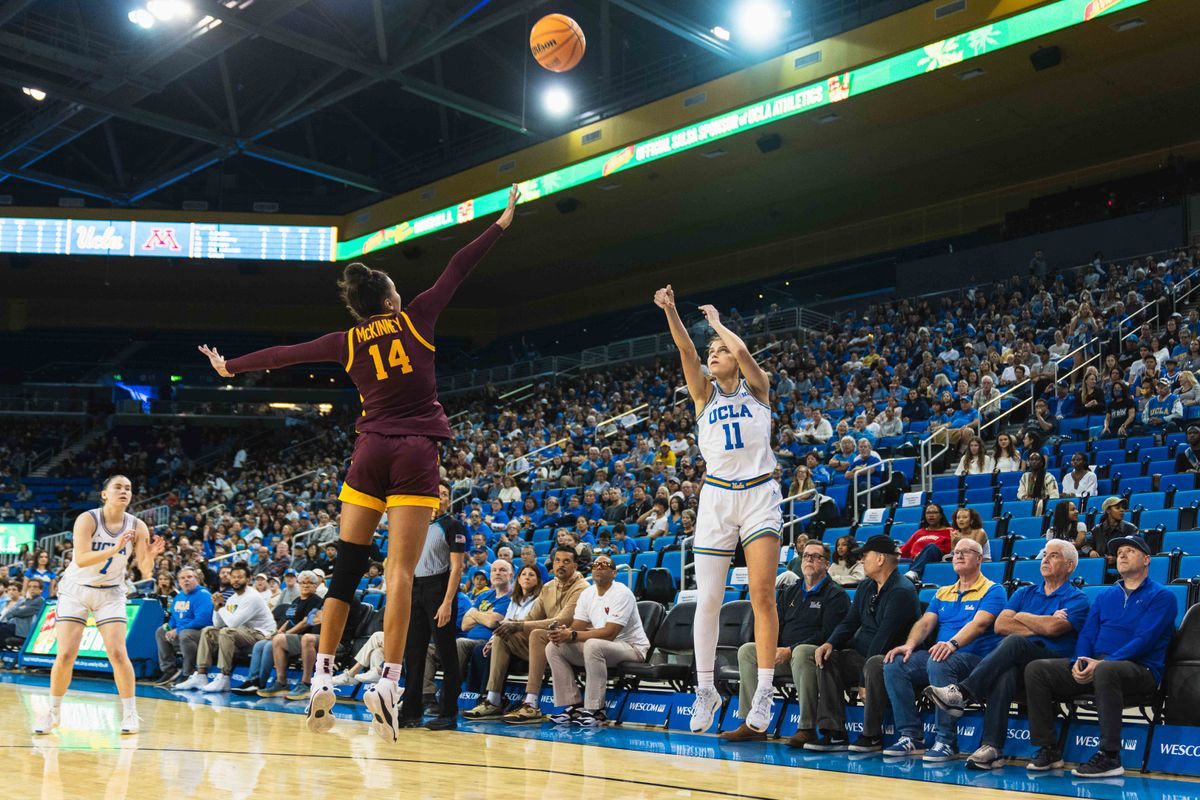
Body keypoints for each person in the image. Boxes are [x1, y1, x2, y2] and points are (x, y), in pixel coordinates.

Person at [198, 185, 521, 739]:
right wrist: (501, 223)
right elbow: (457, 268)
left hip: (368, 452)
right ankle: (388, 685)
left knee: (346, 569)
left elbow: (284, 355)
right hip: (415, 453)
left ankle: (322, 677)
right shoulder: (417, 317)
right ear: (392, 300)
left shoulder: (346, 341)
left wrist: (231, 367)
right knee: (399, 573)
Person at [654, 284, 782, 734]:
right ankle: (704, 689)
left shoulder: (759, 389)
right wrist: (671, 310)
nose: (712, 354)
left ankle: (763, 691)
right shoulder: (704, 397)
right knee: (707, 599)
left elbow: (744, 352)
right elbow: (686, 352)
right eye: (712, 351)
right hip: (715, 498)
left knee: (763, 596)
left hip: (758, 495)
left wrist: (719, 326)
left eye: (719, 351)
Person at [924, 540, 1090, 769]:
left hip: (1053, 661)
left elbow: (1054, 629)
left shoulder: (1077, 598)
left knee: (1014, 642)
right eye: (1044, 554)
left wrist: (1020, 616)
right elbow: (1001, 625)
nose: (1045, 559)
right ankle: (992, 748)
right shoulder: (1024, 592)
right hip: (1023, 664)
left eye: (1054, 556)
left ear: (1070, 566)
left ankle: (962, 692)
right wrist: (1042, 619)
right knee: (1006, 670)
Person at [1024, 536, 1176, 778]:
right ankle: (1049, 748)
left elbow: (1144, 640)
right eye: (1119, 552)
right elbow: (1087, 634)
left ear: (1147, 560)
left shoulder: (1163, 597)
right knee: (1037, 669)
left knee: (1106, 670)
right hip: (1098, 665)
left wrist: (1103, 663)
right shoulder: (1106, 595)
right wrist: (1079, 662)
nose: (1122, 555)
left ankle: (1110, 756)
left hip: (1140, 669)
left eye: (1130, 551)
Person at [33, 475, 163, 736]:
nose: (124, 491)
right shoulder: (88, 519)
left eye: (128, 487)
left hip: (111, 593)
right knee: (66, 654)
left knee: (117, 653)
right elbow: (80, 559)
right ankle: (54, 712)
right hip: (76, 590)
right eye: (118, 487)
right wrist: (115, 547)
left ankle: (129, 714)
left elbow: (145, 570)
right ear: (104, 494)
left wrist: (149, 558)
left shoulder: (137, 526)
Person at [880, 538, 1007, 761]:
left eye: (965, 552)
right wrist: (909, 645)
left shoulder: (993, 590)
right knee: (895, 662)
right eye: (955, 553)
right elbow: (925, 623)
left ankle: (946, 741)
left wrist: (952, 644)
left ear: (979, 559)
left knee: (939, 660)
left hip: (976, 660)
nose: (957, 556)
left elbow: (979, 624)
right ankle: (911, 736)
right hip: (942, 655)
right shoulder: (943, 592)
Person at [722, 541, 850, 744]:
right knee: (748, 650)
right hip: (782, 657)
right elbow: (774, 625)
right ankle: (753, 723)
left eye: (816, 557)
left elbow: (828, 634)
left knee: (801, 651)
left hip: (812, 660)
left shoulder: (836, 595)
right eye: (806, 555)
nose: (809, 560)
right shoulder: (789, 591)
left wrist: (789, 650)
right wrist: (772, 649)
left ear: (827, 564)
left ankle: (806, 727)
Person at [804, 536, 919, 752]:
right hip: (863, 653)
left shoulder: (902, 591)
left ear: (880, 559)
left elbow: (883, 639)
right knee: (828, 659)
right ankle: (834, 732)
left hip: (891, 659)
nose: (861, 560)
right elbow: (850, 621)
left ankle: (871, 735)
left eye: (865, 556)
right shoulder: (866, 586)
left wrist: (862, 680)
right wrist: (830, 643)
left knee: (874, 664)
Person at [462, 546, 586, 723]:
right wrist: (510, 628)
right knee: (501, 633)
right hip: (546, 644)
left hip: (569, 644)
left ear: (575, 565)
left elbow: (562, 620)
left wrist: (518, 625)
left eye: (567, 561)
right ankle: (493, 699)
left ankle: (531, 704)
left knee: (535, 633)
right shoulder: (549, 587)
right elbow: (531, 617)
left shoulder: (582, 587)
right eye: (558, 560)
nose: (561, 565)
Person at [392, 483, 466, 731]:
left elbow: (457, 568)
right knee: (413, 651)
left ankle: (448, 712)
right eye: (436, 493)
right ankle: (411, 711)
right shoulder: (417, 525)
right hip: (415, 587)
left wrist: (446, 602)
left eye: (444, 494)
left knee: (446, 651)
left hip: (440, 588)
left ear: (448, 500)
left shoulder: (452, 526)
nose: (439, 498)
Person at [545, 555, 650, 726]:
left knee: (593, 644)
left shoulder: (622, 592)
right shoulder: (587, 594)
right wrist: (563, 633)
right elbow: (578, 626)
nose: (599, 567)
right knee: (553, 647)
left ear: (614, 573)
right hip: (602, 648)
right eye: (596, 564)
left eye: (605, 564)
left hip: (632, 648)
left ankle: (596, 710)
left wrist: (572, 635)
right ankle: (575, 705)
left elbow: (610, 633)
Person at [175, 562, 275, 693]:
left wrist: (221, 606)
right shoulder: (233, 598)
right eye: (233, 577)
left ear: (249, 579)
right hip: (241, 632)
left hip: (261, 634)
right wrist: (217, 608)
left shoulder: (252, 597)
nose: (236, 580)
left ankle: (224, 677)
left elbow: (232, 624)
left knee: (226, 632)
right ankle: (201, 674)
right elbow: (217, 624)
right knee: (208, 631)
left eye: (240, 577)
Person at [154, 566, 213, 687]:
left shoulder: (204, 595)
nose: (186, 580)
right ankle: (170, 670)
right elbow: (174, 618)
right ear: (178, 582)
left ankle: (188, 673)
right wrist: (169, 628)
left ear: (196, 579)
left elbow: (202, 620)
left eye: (189, 577)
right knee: (160, 631)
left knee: (185, 634)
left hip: (202, 634)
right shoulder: (179, 596)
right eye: (182, 578)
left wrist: (178, 630)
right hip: (181, 633)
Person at [899, 504, 953, 583]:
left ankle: (914, 573)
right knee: (891, 560)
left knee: (931, 546)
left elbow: (950, 549)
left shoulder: (949, 531)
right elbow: (905, 549)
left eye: (934, 512)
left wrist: (923, 553)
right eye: (928, 513)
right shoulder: (919, 532)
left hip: (936, 557)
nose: (931, 515)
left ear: (941, 515)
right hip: (915, 560)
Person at [1084, 497, 1137, 565]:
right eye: (1118, 508)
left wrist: (1117, 558)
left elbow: (1135, 551)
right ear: (1108, 510)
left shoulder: (1131, 529)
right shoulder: (1096, 529)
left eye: (1123, 508)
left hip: (1122, 567)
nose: (1122, 510)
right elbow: (1085, 546)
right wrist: (1090, 551)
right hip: (1099, 566)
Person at [0, 578, 45, 644]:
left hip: (22, 631)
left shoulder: (39, 600)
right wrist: (18, 610)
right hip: (14, 627)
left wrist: (17, 611)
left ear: (41, 590)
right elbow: (13, 611)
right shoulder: (28, 600)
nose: (32, 589)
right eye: (29, 587)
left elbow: (19, 612)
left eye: (35, 587)